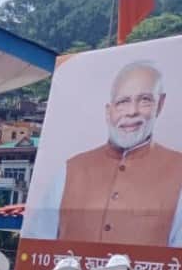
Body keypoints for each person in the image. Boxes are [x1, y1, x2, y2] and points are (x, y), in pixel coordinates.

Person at [39, 62, 182, 245]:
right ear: (109, 111)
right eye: (123, 102)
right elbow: (40, 243)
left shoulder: (178, 170)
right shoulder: (70, 170)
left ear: (160, 105)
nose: (132, 112)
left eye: (145, 100)